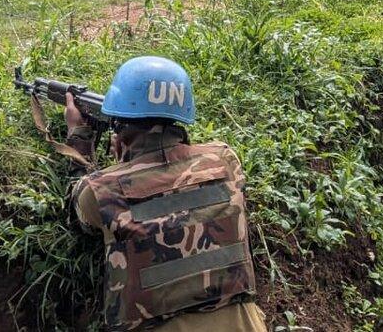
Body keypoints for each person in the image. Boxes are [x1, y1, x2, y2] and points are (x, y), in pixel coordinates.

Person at [61, 56, 267, 332]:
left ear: (119, 130)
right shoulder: (225, 161)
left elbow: (78, 215)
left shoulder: (100, 189)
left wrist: (78, 136)